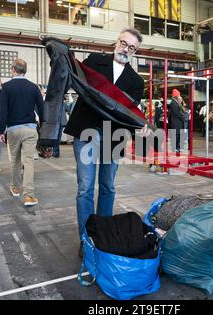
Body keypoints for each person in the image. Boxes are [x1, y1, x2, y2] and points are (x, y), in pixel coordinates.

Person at [62, 28, 144, 256]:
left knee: (107, 186)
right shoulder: (95, 61)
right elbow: (74, 79)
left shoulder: (135, 81)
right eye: (123, 43)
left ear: (135, 52)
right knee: (85, 188)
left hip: (114, 136)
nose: (125, 49)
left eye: (132, 48)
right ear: (116, 42)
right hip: (87, 128)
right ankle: (87, 239)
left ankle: (104, 235)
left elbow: (129, 113)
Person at [0, 59, 44, 207]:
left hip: (13, 129)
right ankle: (29, 196)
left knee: (15, 160)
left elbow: (3, 110)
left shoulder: (6, 87)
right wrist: (43, 125)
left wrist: (0, 130)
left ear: (12, 69)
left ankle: (16, 188)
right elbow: (42, 108)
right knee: (29, 162)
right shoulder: (33, 87)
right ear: (25, 70)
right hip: (30, 129)